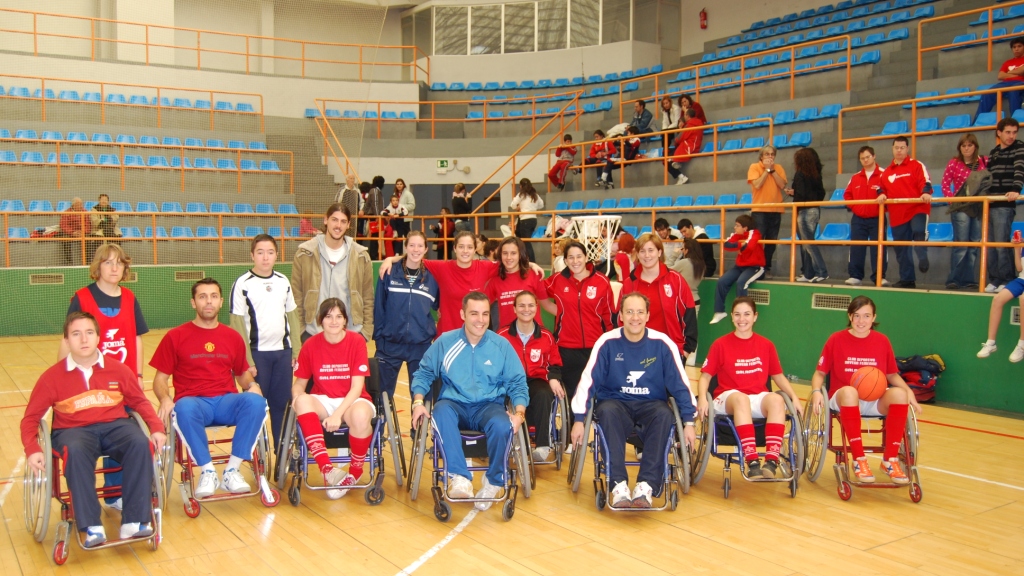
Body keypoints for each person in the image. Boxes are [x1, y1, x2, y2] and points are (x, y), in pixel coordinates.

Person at [22, 312, 166, 547]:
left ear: (98, 337)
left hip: (115, 426)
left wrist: (157, 428)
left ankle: (134, 522)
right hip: (73, 430)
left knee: (141, 443)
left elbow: (139, 402)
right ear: (66, 340)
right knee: (76, 451)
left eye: (89, 333)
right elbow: (30, 418)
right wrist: (32, 448)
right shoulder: (51, 377)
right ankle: (91, 526)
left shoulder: (118, 370)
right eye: (76, 334)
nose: (84, 339)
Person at [570, 292, 697, 508]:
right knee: (607, 412)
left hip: (651, 404)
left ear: (648, 315)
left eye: (640, 312)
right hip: (615, 403)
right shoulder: (607, 342)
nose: (634, 317)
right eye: (629, 312)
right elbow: (588, 381)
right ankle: (618, 485)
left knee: (665, 414)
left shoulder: (662, 343)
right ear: (620, 315)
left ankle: (645, 486)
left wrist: (689, 422)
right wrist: (579, 418)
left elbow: (680, 385)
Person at [409, 292, 528, 510]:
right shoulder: (445, 342)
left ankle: (493, 482)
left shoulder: (501, 346)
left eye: (484, 314)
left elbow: (518, 383)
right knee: (440, 412)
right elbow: (424, 373)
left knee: (504, 424)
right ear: (462, 314)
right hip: (454, 405)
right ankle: (459, 476)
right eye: (474, 314)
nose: (480, 320)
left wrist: (519, 414)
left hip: (489, 407)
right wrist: (418, 402)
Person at [151, 278, 268, 498]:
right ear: (193, 303)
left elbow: (241, 373)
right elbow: (160, 378)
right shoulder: (175, 336)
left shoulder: (232, 337)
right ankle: (207, 471)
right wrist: (165, 398)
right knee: (182, 408)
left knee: (256, 402)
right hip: (194, 402)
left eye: (213, 296)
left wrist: (252, 385)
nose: (208, 301)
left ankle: (232, 470)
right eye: (202, 296)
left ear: (221, 302)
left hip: (226, 401)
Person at [59, 243, 149, 510]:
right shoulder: (82, 298)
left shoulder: (130, 298)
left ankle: (116, 493)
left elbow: (136, 338)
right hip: (89, 383)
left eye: (119, 263)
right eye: (108, 262)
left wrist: (139, 374)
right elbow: (68, 339)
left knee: (127, 433)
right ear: (97, 267)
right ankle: (85, 496)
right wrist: (63, 376)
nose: (114, 268)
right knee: (86, 435)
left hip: (123, 380)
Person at [809, 295, 922, 484]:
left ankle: (890, 460)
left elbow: (892, 375)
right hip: (843, 397)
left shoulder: (882, 341)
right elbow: (819, 373)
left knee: (900, 394)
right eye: (857, 316)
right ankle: (859, 459)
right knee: (850, 391)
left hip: (874, 399)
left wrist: (909, 391)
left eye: (866, 316)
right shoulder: (836, 339)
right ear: (850, 316)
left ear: (874, 317)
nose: (862, 321)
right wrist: (816, 392)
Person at [698, 297, 803, 478]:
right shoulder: (720, 344)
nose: (742, 319)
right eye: (737, 314)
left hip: (756, 397)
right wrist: (701, 398)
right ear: (731, 317)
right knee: (741, 399)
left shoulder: (766, 345)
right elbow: (705, 376)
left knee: (777, 400)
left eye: (747, 314)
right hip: (727, 397)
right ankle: (752, 459)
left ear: (755, 317)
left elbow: (778, 376)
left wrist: (793, 397)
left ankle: (771, 460)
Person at [291, 298, 375, 498]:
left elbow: (356, 387)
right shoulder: (310, 345)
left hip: (353, 399)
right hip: (324, 399)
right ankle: (328, 469)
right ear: (321, 320)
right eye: (328, 316)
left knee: (362, 416)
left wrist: (337, 415)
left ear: (345, 320)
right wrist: (297, 400)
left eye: (339, 316)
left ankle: (354, 473)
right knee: (301, 400)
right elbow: (300, 384)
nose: (334, 321)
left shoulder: (356, 342)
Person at [229, 234, 302, 448]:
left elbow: (293, 317)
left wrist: (296, 351)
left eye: (270, 252)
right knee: (255, 407)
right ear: (252, 255)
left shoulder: (283, 281)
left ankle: (282, 454)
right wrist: (247, 360)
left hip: (282, 355)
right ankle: (254, 455)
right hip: (256, 357)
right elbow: (237, 325)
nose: (265, 257)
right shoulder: (243, 284)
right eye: (260, 252)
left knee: (281, 405)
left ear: (277, 255)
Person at [545, 241, 615, 422]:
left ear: (586, 258)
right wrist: (560, 311)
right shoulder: (556, 280)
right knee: (570, 395)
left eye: (579, 256)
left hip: (595, 348)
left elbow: (608, 315)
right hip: (566, 348)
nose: (575, 261)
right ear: (565, 260)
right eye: (571, 257)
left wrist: (612, 344)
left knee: (599, 393)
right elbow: (536, 291)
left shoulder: (601, 281)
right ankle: (570, 439)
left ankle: (600, 434)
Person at [373, 231, 440, 409]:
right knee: (381, 397)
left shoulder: (433, 278)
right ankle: (378, 435)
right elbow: (379, 307)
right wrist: (379, 339)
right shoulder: (389, 272)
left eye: (420, 246)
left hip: (420, 346)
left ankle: (417, 434)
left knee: (421, 397)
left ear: (426, 249)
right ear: (405, 247)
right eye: (411, 245)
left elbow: (440, 308)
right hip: (389, 345)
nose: (415, 249)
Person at [291, 204, 374, 343]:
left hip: (351, 334)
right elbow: (296, 296)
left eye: (343, 221)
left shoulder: (361, 256)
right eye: (334, 220)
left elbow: (367, 298)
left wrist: (365, 333)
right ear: (325, 220)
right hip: (313, 333)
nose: (338, 226)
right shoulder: (304, 253)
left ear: (348, 225)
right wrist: (301, 331)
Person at [496, 290, 563, 462]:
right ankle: (509, 441)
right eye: (522, 305)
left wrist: (554, 378)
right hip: (509, 381)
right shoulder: (501, 336)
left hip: (535, 379)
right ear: (514, 309)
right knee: (498, 398)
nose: (527, 309)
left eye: (531, 305)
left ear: (536, 308)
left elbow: (554, 362)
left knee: (544, 394)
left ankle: (542, 445)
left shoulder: (546, 336)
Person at [619, 233, 698, 360]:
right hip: (635, 352)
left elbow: (689, 314)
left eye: (651, 250)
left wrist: (686, 350)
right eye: (642, 251)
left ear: (659, 252)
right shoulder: (629, 284)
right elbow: (620, 318)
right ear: (638, 254)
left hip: (670, 352)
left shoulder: (676, 280)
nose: (647, 255)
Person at [879, 136, 932, 289]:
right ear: (892, 149)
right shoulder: (887, 172)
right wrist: (881, 194)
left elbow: (925, 181)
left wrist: (926, 192)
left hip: (917, 208)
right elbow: (880, 188)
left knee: (918, 231)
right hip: (897, 214)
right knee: (901, 248)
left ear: (907, 149)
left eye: (902, 148)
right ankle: (907, 279)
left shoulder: (916, 165)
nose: (899, 150)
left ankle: (922, 255)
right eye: (896, 147)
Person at [941, 134, 988, 290]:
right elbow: (945, 185)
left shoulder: (983, 161)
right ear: (960, 148)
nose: (967, 148)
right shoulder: (954, 163)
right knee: (961, 244)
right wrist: (952, 201)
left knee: (974, 244)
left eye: (970, 145)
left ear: (975, 146)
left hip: (978, 207)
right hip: (960, 207)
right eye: (964, 146)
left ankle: (969, 279)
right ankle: (954, 279)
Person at [984, 118, 1024, 293]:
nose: (1011, 136)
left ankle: (1007, 279)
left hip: (1005, 204)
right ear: (999, 133)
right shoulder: (994, 152)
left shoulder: (1019, 147)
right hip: (990, 203)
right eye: (1008, 132)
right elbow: (988, 176)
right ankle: (994, 278)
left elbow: (1019, 169)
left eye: (1014, 132)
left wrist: (1016, 188)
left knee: (1001, 243)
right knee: (990, 244)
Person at [843, 146, 890, 286]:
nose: (865, 160)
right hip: (858, 219)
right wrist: (857, 208)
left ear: (874, 156)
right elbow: (847, 195)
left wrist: (882, 205)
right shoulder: (855, 177)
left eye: (867, 157)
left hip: (878, 217)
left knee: (879, 248)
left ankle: (879, 277)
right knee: (857, 247)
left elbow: (891, 193)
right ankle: (855, 276)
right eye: (862, 158)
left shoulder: (884, 174)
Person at [485, 236, 552, 328]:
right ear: (500, 255)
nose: (509, 257)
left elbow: (547, 305)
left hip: (534, 335)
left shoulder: (534, 275)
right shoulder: (495, 280)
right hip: (508, 336)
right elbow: (482, 306)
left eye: (513, 253)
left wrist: (574, 315)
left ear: (520, 255)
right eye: (505, 253)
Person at [977, 237, 1024, 362]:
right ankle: (991, 342)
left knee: (1023, 299)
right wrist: (1017, 248)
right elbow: (1019, 268)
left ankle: (1022, 345)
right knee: (997, 299)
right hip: (1021, 280)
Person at [711, 214, 765, 325]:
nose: (735, 228)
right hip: (740, 267)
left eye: (737, 225)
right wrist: (741, 245)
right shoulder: (737, 235)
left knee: (741, 282)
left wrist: (740, 247)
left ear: (745, 228)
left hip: (755, 267)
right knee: (722, 281)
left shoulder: (754, 233)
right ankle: (719, 311)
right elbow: (726, 245)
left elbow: (749, 246)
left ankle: (742, 313)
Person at [786, 147, 829, 283]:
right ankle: (808, 273)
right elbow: (821, 193)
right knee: (806, 243)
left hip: (804, 211)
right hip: (815, 210)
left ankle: (822, 271)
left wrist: (795, 194)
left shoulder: (800, 174)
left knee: (808, 243)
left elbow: (802, 194)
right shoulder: (816, 174)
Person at [748, 146, 787, 278]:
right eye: (767, 154)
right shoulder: (754, 167)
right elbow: (757, 184)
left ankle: (766, 267)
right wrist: (766, 170)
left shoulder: (779, 168)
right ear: (761, 157)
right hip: (759, 210)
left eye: (772, 154)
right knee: (758, 241)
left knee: (771, 241)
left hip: (775, 210)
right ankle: (756, 267)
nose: (770, 157)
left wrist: (772, 170)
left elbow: (782, 185)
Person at [974, 37, 1024, 122]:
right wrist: (1017, 73)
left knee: (1013, 91)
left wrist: (1008, 73)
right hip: (1005, 83)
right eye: (1014, 47)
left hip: (1021, 82)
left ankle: (1015, 120)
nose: (1016, 49)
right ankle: (977, 121)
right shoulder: (1008, 62)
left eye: (1019, 46)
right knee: (987, 93)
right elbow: (1000, 76)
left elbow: (1022, 70)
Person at [510, 178, 544, 262]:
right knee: (520, 238)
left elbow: (513, 204)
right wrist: (533, 208)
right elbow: (541, 205)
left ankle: (532, 262)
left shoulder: (521, 194)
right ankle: (522, 258)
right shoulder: (534, 194)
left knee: (526, 242)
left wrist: (518, 207)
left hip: (525, 219)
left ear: (521, 186)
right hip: (533, 219)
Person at [668, 108, 704, 185]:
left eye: (684, 114)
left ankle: (681, 175)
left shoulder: (689, 125)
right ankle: (679, 172)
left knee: (666, 159)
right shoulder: (697, 123)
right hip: (694, 147)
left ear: (687, 116)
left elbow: (678, 139)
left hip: (688, 148)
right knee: (666, 157)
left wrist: (680, 131)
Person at [58, 197, 91, 266]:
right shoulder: (67, 212)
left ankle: (87, 262)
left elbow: (88, 225)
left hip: (82, 232)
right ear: (73, 205)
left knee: (89, 239)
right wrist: (72, 232)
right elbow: (63, 225)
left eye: (81, 204)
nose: (80, 206)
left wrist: (82, 232)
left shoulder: (85, 212)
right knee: (65, 239)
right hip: (70, 232)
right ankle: (69, 262)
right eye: (78, 204)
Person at [362, 175, 386, 259]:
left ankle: (374, 254)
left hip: (376, 215)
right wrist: (377, 215)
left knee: (375, 236)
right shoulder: (375, 191)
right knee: (374, 236)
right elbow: (375, 203)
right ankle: (373, 255)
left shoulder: (375, 190)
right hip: (374, 216)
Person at [392, 178, 416, 255]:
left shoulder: (408, 194)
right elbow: (391, 205)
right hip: (397, 219)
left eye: (400, 184)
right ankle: (398, 253)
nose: (399, 186)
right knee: (398, 236)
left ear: (403, 185)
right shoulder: (394, 194)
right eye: (397, 184)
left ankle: (409, 252)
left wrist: (401, 207)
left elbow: (412, 205)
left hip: (405, 219)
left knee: (407, 236)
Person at [335, 173, 362, 239]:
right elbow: (337, 201)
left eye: (353, 179)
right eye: (350, 178)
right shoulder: (342, 190)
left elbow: (361, 202)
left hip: (354, 216)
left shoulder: (357, 191)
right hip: (344, 215)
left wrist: (361, 209)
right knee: (344, 230)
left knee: (353, 232)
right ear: (346, 180)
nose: (352, 180)